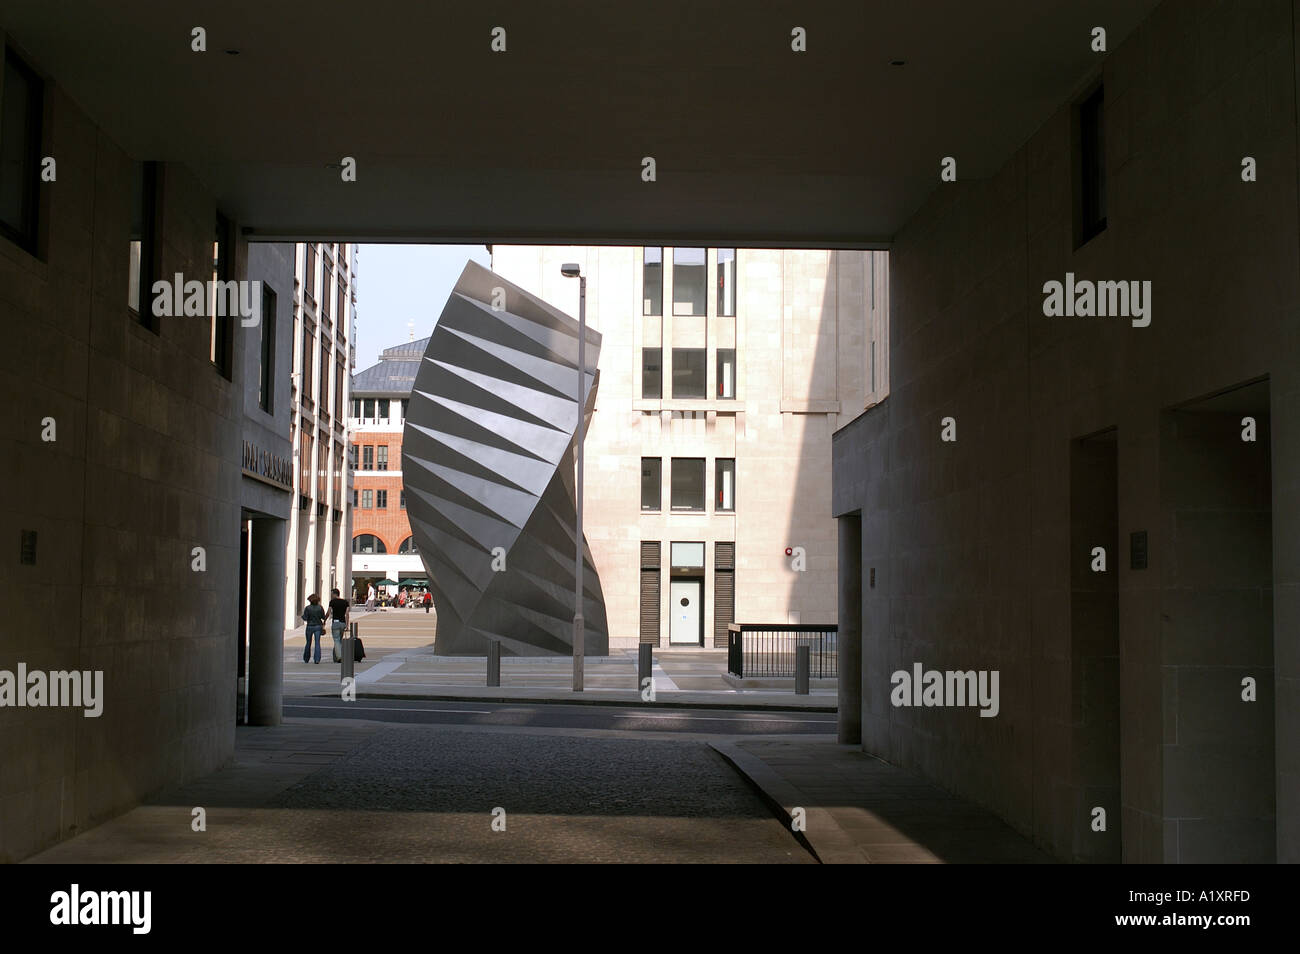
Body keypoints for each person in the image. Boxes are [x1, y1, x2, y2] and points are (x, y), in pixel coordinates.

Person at [325, 588, 350, 664]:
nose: (331, 595)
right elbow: (347, 614)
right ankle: (335, 657)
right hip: (342, 623)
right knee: (339, 640)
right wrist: (347, 624)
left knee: (336, 640)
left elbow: (328, 612)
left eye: (332, 594)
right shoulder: (345, 602)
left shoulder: (332, 602)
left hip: (335, 623)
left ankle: (339, 657)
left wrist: (324, 620)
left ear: (335, 594)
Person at [301, 593, 326, 664]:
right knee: (317, 642)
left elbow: (305, 618)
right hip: (318, 626)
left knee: (308, 642)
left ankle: (306, 658)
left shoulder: (307, 608)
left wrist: (303, 616)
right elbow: (323, 617)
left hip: (309, 626)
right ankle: (317, 659)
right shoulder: (320, 607)